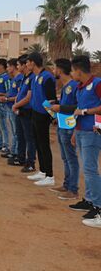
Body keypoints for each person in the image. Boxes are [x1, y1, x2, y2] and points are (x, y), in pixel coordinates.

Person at [56, 55, 101, 227]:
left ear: (78, 71)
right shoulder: (81, 87)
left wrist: (85, 112)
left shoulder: (97, 84)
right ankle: (89, 200)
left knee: (90, 170)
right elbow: (77, 111)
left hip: (92, 132)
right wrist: (75, 131)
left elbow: (84, 110)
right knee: (87, 168)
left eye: (73, 71)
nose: (72, 74)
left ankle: (98, 206)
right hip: (81, 131)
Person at [48, 59, 80, 200]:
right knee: (65, 157)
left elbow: (78, 108)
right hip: (62, 124)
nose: (54, 71)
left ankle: (73, 189)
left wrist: (60, 108)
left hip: (69, 125)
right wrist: (57, 105)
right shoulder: (66, 86)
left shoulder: (73, 86)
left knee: (71, 158)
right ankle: (67, 185)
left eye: (55, 68)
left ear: (60, 70)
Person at [25, 52, 56, 187]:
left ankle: (50, 175)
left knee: (44, 144)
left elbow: (51, 99)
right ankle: (42, 171)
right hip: (35, 113)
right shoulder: (35, 77)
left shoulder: (47, 77)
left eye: (27, 62)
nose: (26, 65)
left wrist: (51, 117)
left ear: (32, 62)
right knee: (37, 143)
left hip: (43, 115)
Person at [12, 54, 37, 173]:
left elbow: (28, 97)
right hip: (20, 110)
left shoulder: (32, 78)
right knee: (20, 135)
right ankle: (20, 157)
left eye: (18, 65)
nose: (17, 67)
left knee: (29, 137)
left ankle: (30, 162)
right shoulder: (24, 78)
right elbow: (20, 93)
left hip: (27, 111)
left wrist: (16, 105)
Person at [3, 58, 24, 164]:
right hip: (10, 106)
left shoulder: (20, 78)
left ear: (13, 67)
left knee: (16, 131)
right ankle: (13, 150)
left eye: (8, 66)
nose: (7, 69)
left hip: (14, 106)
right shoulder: (14, 78)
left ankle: (15, 152)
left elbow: (19, 95)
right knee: (13, 129)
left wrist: (7, 99)